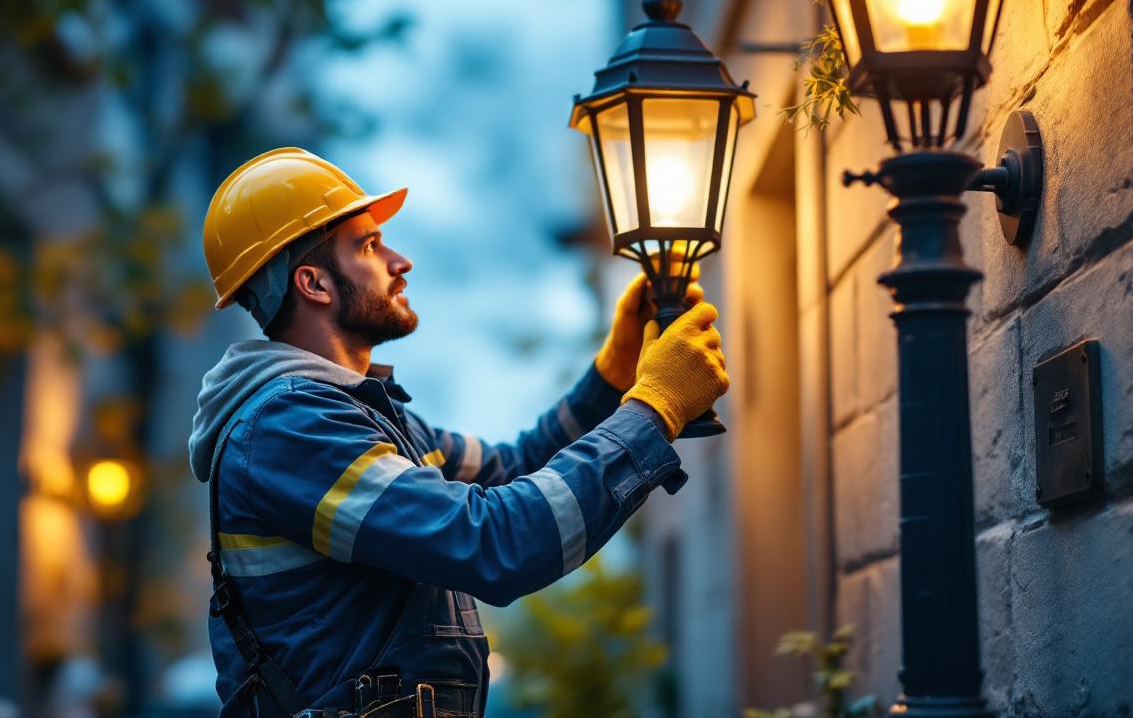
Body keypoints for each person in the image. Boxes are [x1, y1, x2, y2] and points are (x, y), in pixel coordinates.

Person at [189, 148, 729, 717]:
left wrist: (612, 378)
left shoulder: (358, 418)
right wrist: (657, 407)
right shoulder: (290, 432)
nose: (401, 261)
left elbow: (513, 469)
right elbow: (494, 544)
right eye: (370, 245)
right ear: (314, 283)